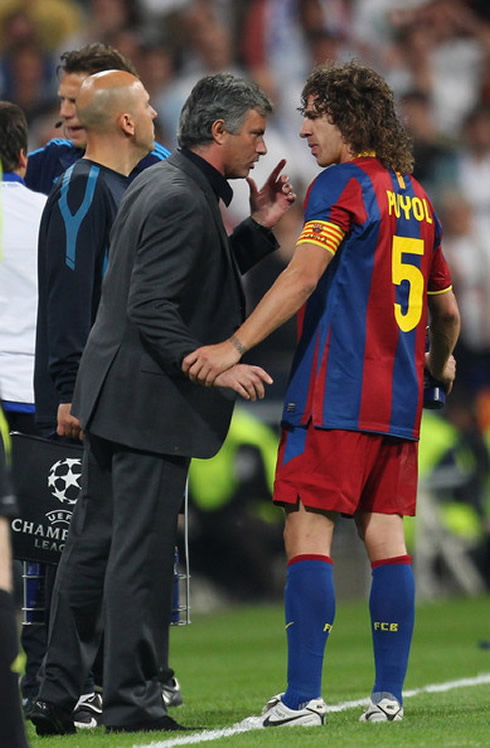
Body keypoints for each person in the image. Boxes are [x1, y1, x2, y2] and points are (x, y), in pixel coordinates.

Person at [182, 60, 461, 725]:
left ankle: (304, 698)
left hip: (334, 391)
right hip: (396, 399)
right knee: (385, 537)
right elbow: (446, 314)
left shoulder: (342, 184)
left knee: (307, 531)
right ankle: (388, 697)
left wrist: (234, 345)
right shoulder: (415, 195)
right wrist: (438, 366)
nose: (301, 128)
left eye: (313, 114)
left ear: (348, 119)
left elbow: (303, 277)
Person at [31, 71, 294, 735]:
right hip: (146, 400)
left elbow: (183, 278)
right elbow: (152, 305)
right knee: (138, 554)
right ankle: (131, 698)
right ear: (220, 131)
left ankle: (56, 694)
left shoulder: (163, 180)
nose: (262, 148)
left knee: (93, 547)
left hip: (115, 391)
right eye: (255, 133)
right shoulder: (179, 195)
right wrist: (211, 367)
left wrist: (258, 231)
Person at [30, 68, 157, 732]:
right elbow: (71, 292)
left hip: (107, 393)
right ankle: (65, 687)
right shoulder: (82, 186)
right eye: (145, 102)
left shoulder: (121, 187)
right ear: (127, 121)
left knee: (97, 542)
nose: (155, 108)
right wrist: (71, 390)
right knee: (85, 544)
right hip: (86, 397)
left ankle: (78, 687)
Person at [0, 100, 48, 721]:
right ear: (22, 156)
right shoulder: (48, 214)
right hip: (39, 400)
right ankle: (44, 675)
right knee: (45, 547)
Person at [24, 42, 170, 196]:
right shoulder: (51, 160)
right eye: (63, 100)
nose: (64, 112)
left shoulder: (159, 175)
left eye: (76, 101)